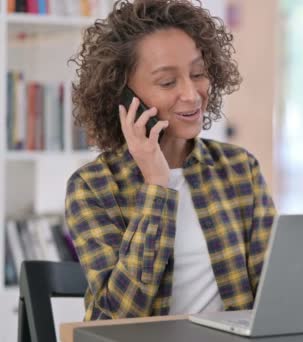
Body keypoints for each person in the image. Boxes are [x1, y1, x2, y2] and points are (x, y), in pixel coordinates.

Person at [65, 0, 276, 320]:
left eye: (199, 73)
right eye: (167, 82)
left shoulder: (239, 169)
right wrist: (156, 185)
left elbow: (273, 293)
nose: (191, 94)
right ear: (123, 95)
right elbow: (119, 316)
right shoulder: (92, 188)